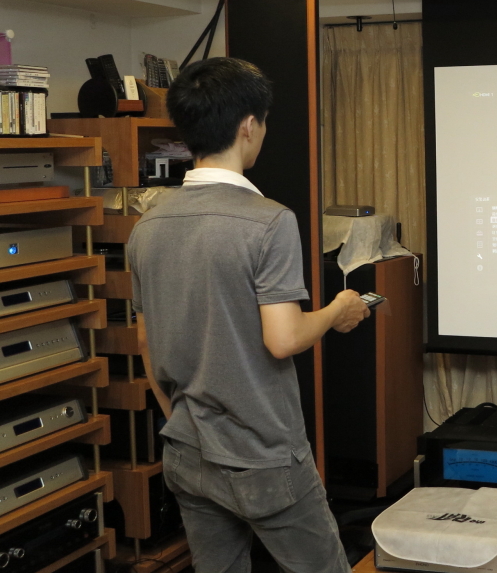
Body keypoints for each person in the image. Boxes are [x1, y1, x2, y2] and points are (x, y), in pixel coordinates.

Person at [129, 57, 371, 573]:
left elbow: (146, 342)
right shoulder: (269, 221)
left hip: (187, 451)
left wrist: (182, 420)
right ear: (247, 126)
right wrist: (337, 310)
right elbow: (283, 338)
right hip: (264, 456)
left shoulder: (147, 227)